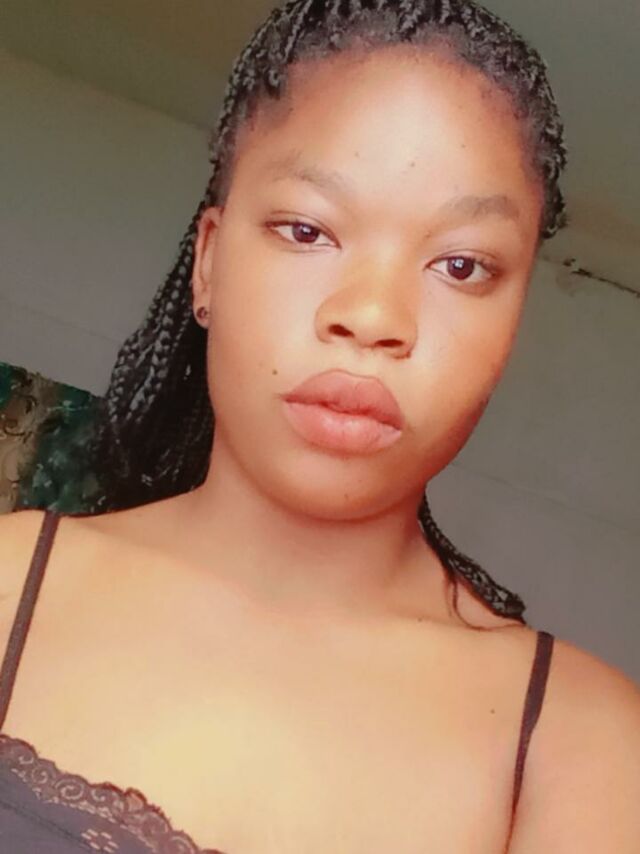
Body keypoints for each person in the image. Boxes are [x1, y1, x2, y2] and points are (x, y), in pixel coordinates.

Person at [0, 0, 638, 851]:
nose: (373, 317)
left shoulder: (582, 748)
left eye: (461, 265)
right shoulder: (10, 584)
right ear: (209, 263)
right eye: (306, 230)